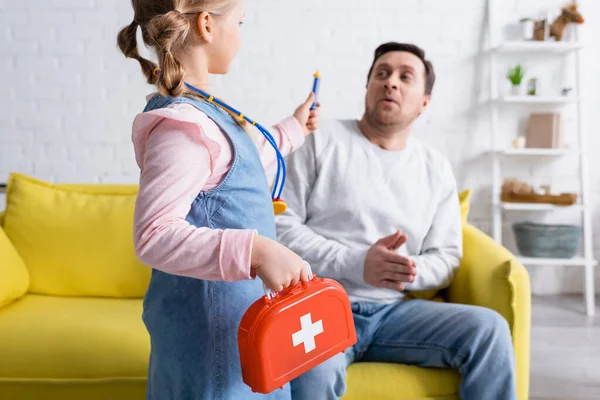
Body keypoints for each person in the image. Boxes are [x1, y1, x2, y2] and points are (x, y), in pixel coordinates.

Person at [276, 42, 517, 400]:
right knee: (311, 372)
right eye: (382, 73)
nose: (391, 83)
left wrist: (402, 269)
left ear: (424, 101)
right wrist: (358, 263)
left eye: (406, 77)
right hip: (320, 308)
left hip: (395, 313)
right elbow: (280, 227)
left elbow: (447, 256)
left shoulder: (435, 169)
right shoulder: (318, 142)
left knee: (489, 329)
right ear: (368, 86)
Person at [117, 0, 321, 398]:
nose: (242, 34)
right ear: (207, 25)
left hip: (240, 325)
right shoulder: (182, 128)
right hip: (212, 339)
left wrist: (295, 128)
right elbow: (154, 235)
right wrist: (257, 251)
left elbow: (242, 162)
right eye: (240, 22)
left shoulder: (206, 112)